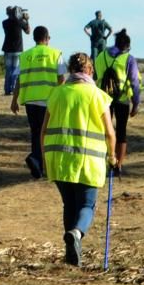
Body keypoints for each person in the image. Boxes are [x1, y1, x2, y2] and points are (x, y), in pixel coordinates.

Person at [40, 53, 118, 267]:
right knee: (87, 205)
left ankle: (70, 251)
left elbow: (43, 130)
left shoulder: (56, 94)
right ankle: (76, 233)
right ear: (90, 71)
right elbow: (110, 133)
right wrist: (112, 156)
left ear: (70, 70)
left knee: (69, 204)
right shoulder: (97, 95)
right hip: (88, 160)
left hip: (59, 158)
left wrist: (44, 160)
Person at [10, 25, 66, 179]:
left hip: (30, 101)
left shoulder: (26, 55)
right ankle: (39, 162)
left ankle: (38, 165)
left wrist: (14, 100)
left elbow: (19, 80)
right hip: (48, 101)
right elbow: (61, 79)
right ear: (47, 38)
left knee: (36, 133)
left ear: (34, 38)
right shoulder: (55, 53)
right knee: (48, 134)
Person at [93, 29, 142, 170]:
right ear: (126, 46)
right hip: (122, 99)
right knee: (121, 132)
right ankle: (118, 165)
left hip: (103, 98)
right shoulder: (129, 59)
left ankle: (103, 161)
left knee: (103, 130)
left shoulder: (101, 56)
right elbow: (134, 82)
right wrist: (136, 103)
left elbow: (97, 76)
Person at [1, 6, 30, 95]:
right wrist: (26, 19)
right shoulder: (19, 21)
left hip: (7, 49)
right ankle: (13, 89)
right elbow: (28, 31)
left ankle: (7, 89)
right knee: (15, 70)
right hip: (18, 49)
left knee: (8, 70)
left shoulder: (4, 22)